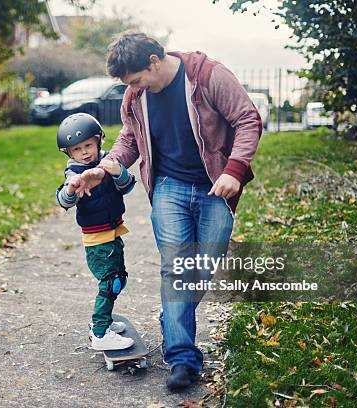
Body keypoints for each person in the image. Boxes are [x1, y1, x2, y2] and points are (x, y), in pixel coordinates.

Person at [76, 31, 262, 390]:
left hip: (214, 186)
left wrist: (234, 171)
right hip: (169, 188)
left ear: (154, 61)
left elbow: (247, 119)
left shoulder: (207, 75)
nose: (135, 87)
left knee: (202, 269)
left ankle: (172, 316)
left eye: (137, 79)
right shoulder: (135, 97)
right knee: (176, 269)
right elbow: (130, 138)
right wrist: (106, 166)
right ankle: (182, 357)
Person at [55, 112, 137, 351]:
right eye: (77, 149)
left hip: (113, 232)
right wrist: (71, 189)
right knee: (110, 282)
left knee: (119, 279)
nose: (84, 153)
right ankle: (100, 332)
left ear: (99, 140)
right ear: (69, 154)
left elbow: (128, 185)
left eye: (88, 145)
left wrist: (116, 171)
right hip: (97, 240)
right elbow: (63, 200)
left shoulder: (107, 162)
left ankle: (104, 322)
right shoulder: (74, 174)